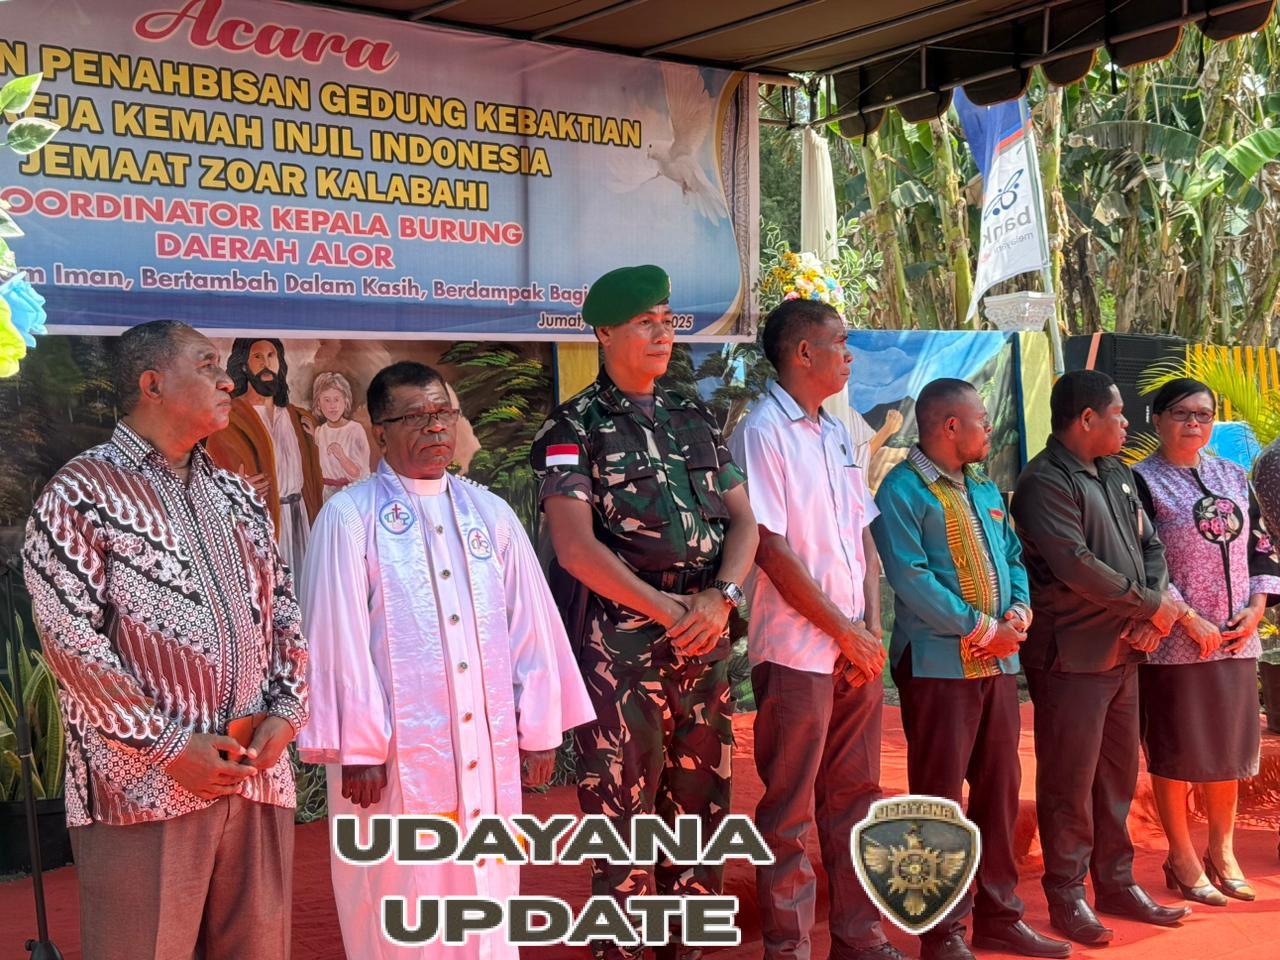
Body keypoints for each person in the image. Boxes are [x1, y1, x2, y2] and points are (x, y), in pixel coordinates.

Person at [22, 319, 308, 960]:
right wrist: (171, 748)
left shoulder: (235, 492)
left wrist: (286, 715)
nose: (227, 377)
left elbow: (284, 609)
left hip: (256, 776)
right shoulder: (79, 494)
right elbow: (72, 645)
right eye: (207, 364)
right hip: (143, 789)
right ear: (152, 383)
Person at [298, 361, 593, 960]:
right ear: (380, 429)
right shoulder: (350, 518)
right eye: (416, 417)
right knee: (401, 891)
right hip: (392, 760)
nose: (437, 428)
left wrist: (537, 732)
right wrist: (358, 749)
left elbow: (531, 627)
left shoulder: (491, 515)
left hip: (484, 751)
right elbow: (336, 637)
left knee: (486, 880)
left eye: (445, 414)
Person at [531, 265, 758, 960]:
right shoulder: (573, 427)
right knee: (624, 831)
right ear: (604, 334)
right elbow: (574, 548)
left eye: (666, 319)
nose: (663, 333)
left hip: (705, 643)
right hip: (622, 656)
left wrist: (721, 597)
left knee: (700, 820)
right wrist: (666, 607)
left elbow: (746, 524)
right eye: (645, 323)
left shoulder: (695, 419)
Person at [728, 299, 903, 960]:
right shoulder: (761, 430)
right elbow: (769, 546)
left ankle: (859, 939)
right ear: (803, 353)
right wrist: (844, 631)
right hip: (797, 650)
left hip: (854, 648)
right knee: (790, 810)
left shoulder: (835, 431)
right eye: (840, 342)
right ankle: (789, 947)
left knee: (858, 797)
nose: (849, 355)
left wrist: (871, 632)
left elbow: (860, 536)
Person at [873, 378, 1069, 960]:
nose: (990, 428)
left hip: (999, 665)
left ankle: (1000, 916)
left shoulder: (983, 486)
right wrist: (984, 629)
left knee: (1000, 789)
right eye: (981, 419)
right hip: (936, 666)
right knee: (937, 799)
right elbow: (910, 580)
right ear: (949, 425)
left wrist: (1017, 610)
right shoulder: (903, 489)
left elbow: (1011, 556)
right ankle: (941, 931)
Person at [1010, 370, 1190, 946]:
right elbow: (1076, 565)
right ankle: (1067, 894)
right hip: (1071, 657)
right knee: (1069, 781)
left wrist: (1150, 611)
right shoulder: (1042, 482)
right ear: (1086, 419)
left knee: (1117, 774)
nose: (1127, 423)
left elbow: (1151, 545)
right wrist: (1150, 609)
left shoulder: (1116, 471)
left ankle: (1116, 883)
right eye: (1118, 413)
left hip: (1124, 651)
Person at [1131, 378, 1280, 905]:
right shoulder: (1140, 482)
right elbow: (1143, 563)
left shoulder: (1233, 476)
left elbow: (1262, 550)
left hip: (1237, 638)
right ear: (1156, 419)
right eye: (1181, 413)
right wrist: (1189, 618)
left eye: (1204, 413)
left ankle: (1224, 849)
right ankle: (1182, 855)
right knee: (1177, 751)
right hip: (1175, 642)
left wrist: (1257, 607)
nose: (1194, 423)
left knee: (1229, 754)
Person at [206, 337, 323, 576]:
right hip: (260, 524)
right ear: (243, 366)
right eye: (257, 357)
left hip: (301, 519)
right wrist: (237, 489)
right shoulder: (229, 419)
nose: (266, 364)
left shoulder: (298, 418)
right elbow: (211, 479)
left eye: (271, 356)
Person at [312, 370, 372, 500]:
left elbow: (359, 474)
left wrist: (341, 456)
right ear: (318, 404)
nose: (332, 406)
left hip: (352, 492)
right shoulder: (320, 431)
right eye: (326, 400)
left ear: (345, 402)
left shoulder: (355, 430)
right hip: (328, 494)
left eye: (336, 400)